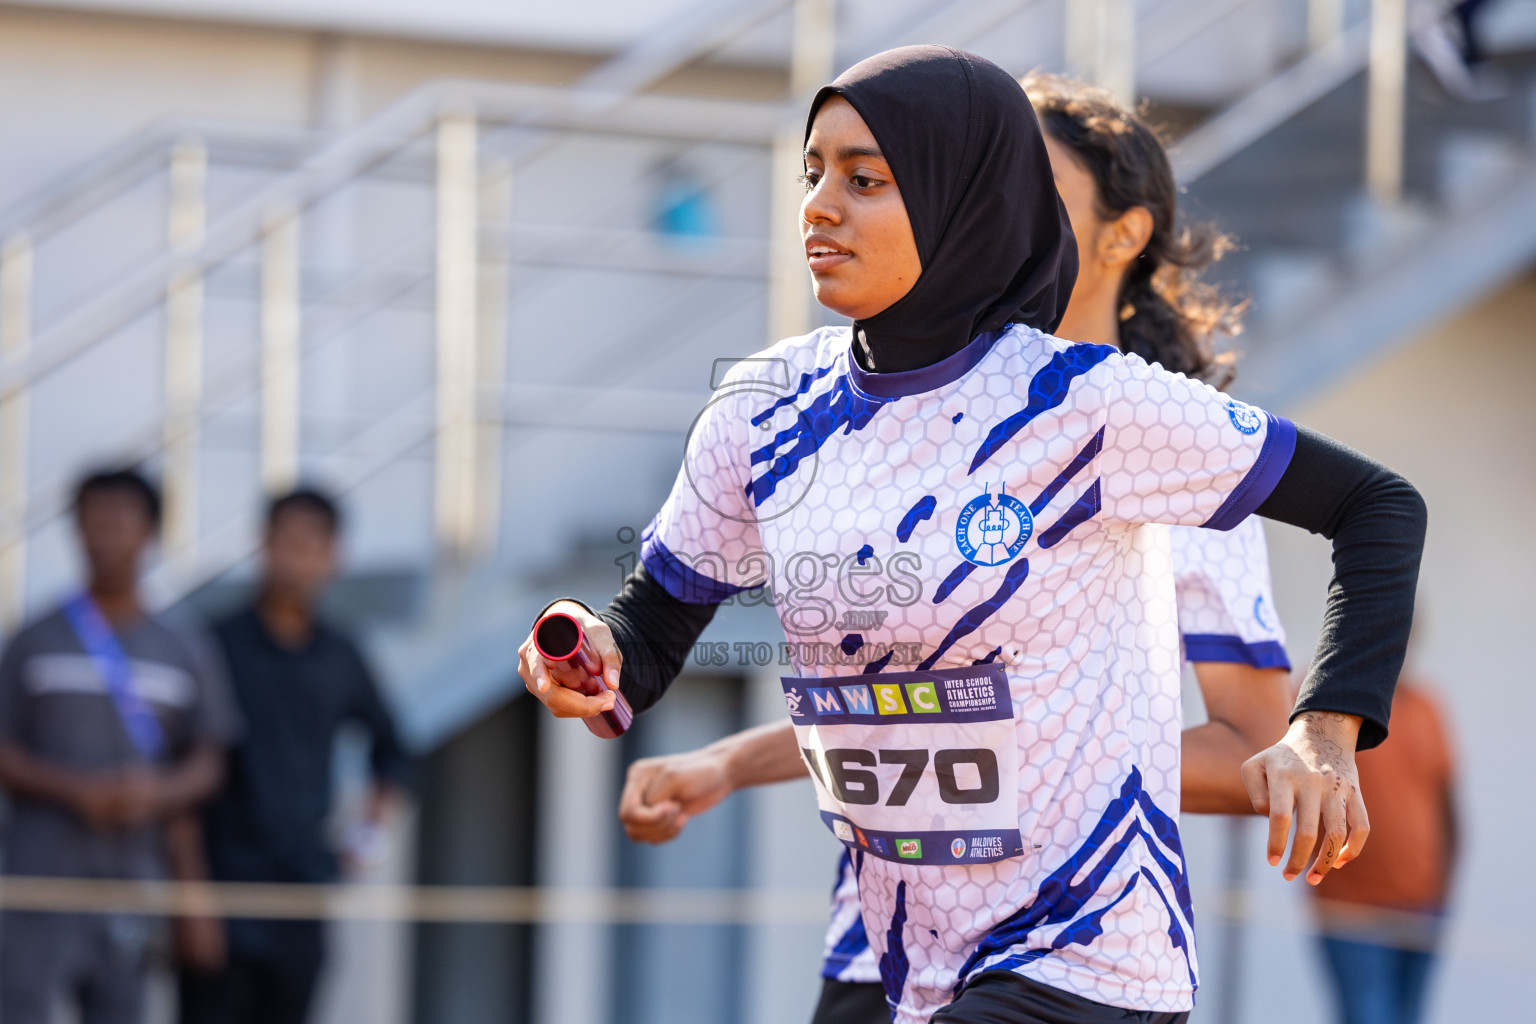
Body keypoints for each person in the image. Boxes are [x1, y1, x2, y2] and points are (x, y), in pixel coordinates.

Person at [519, 46, 1426, 1023]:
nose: (819, 205)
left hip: (1080, 944)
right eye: (812, 172)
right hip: (893, 946)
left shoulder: (1099, 411)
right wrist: (597, 657)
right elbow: (651, 633)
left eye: (865, 178)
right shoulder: (765, 407)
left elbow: (1378, 507)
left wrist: (1324, 731)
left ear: (973, 203)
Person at [0, 468, 240, 1024]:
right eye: (93, 520)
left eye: (120, 521)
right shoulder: (35, 638)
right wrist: (75, 790)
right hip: (42, 878)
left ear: (151, 531)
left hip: (134, 877)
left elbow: (209, 756)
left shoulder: (184, 644)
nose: (105, 535)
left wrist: (156, 793)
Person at [177, 488, 409, 1024]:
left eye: (310, 546)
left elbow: (393, 748)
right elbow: (179, 768)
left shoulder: (340, 652)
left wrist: (366, 834)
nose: (295, 560)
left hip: (303, 886)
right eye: (284, 543)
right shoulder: (215, 643)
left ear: (333, 556)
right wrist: (191, 897)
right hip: (221, 883)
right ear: (262, 545)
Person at [1310, 671, 1457, 1024]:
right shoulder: (1319, 703)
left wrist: (1442, 896)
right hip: (1350, 911)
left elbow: (1449, 809)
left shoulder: (1427, 707)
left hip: (1422, 908)